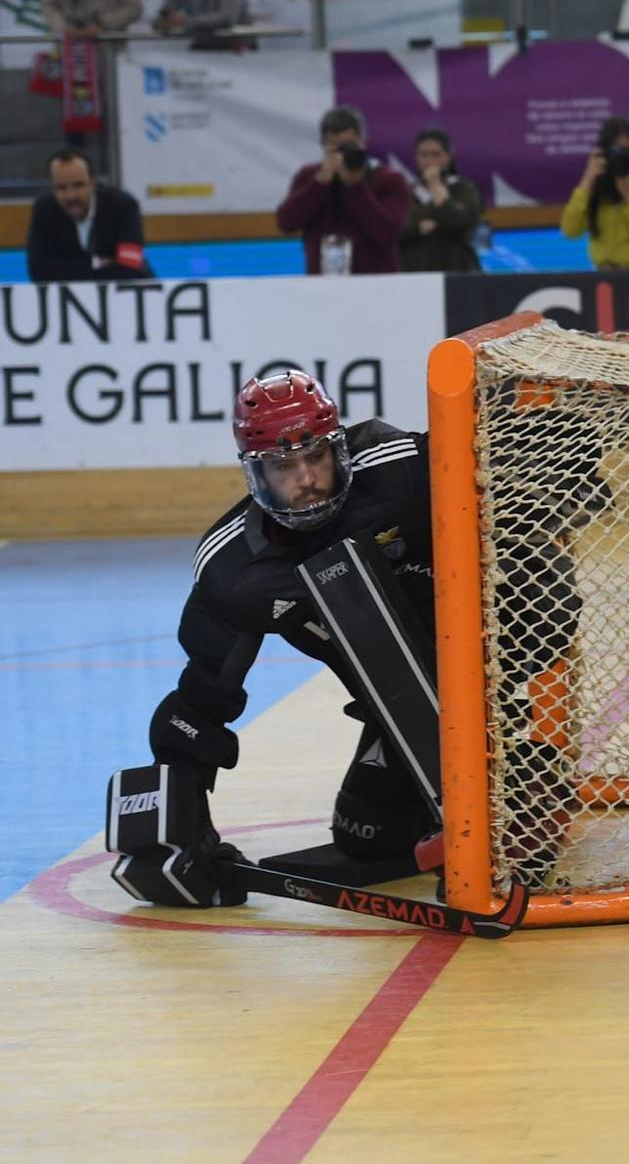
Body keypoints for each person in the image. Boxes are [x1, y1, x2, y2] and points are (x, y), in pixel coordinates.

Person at [139, 372, 440, 897]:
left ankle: (535, 755)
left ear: (340, 449)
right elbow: (199, 703)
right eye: (283, 466)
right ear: (254, 473)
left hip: (495, 676)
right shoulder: (236, 571)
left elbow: (506, 464)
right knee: (368, 836)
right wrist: (181, 833)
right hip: (405, 716)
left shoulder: (406, 469)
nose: (306, 478)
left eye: (316, 457)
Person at [276, 106, 412, 276]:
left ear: (364, 142)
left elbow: (388, 233)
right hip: (323, 283)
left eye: (349, 147)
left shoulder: (389, 180)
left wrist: (355, 186)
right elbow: (286, 223)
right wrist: (319, 184)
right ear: (324, 146)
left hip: (376, 283)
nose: (343, 155)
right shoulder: (310, 176)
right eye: (336, 149)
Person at [560, 116, 629, 270]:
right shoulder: (596, 188)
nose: (620, 161)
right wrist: (586, 181)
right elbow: (570, 230)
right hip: (606, 278)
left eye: (626, 154)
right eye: (615, 154)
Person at [26, 148, 152, 283]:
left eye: (78, 185)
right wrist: (96, 263)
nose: (71, 195)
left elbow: (130, 268)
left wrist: (68, 269)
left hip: (130, 298)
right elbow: (39, 272)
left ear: (93, 182)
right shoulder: (44, 210)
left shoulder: (123, 206)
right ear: (52, 188)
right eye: (61, 188)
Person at [399, 126, 484, 274]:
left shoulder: (464, 188)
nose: (430, 161)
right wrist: (419, 227)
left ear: (448, 157)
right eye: (424, 155)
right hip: (415, 271)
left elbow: (459, 222)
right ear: (416, 158)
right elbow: (399, 228)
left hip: (457, 269)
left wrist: (435, 186)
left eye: (435, 155)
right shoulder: (406, 191)